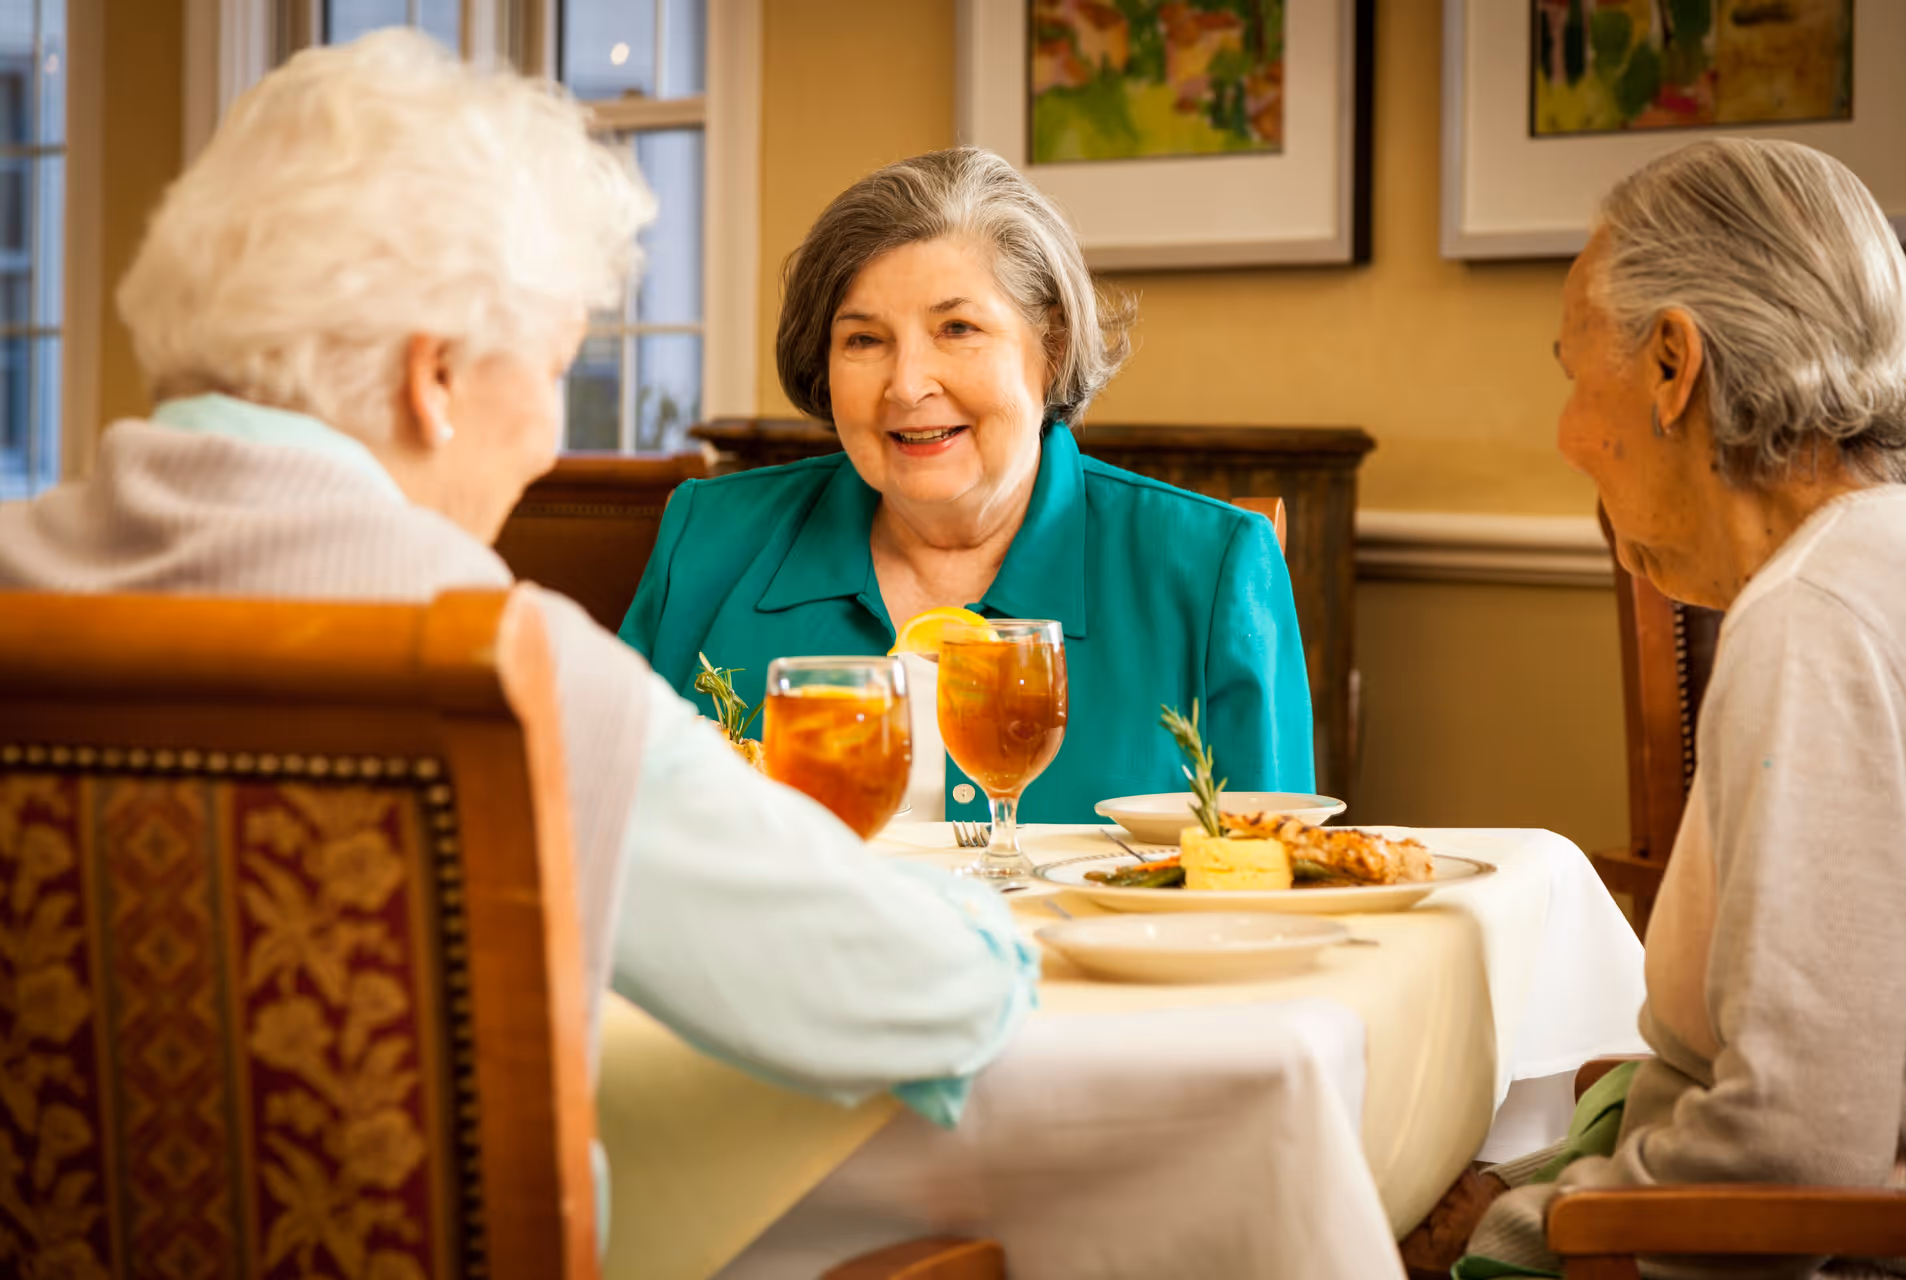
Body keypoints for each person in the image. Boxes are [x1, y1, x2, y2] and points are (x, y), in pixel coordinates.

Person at [0, 31, 1034, 1130]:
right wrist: (983, 917)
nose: (547, 439)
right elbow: (930, 993)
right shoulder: (510, 679)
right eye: (551, 370)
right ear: (434, 377)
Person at [1423, 138, 1906, 1279]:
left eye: (1570, 370)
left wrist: (1505, 1233)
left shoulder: (1818, 616)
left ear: (1671, 365)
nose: (1564, 433)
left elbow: (1791, 1150)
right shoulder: (1878, 560)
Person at [618, 148, 1315, 824]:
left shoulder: (1210, 569)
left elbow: (1267, 883)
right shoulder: (706, 539)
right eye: (863, 340)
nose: (908, 384)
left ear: (1054, 345)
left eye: (957, 328)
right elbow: (599, 836)